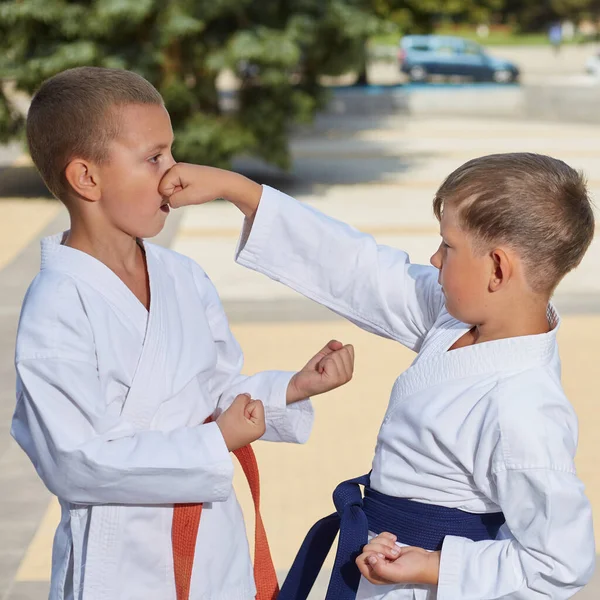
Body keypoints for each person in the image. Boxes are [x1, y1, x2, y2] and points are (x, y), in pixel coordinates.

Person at [157, 153, 596, 599]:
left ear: (498, 269)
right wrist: (242, 193)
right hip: (381, 570)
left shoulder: (522, 405)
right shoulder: (457, 321)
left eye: (448, 246)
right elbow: (362, 271)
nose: (434, 256)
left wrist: (434, 566)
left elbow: (558, 562)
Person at [12, 66, 355, 600]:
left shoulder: (181, 276)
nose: (174, 175)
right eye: (154, 158)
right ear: (87, 178)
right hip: (120, 562)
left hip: (213, 542)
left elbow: (214, 391)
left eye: (171, 153)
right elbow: (74, 461)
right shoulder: (56, 306)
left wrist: (290, 388)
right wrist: (214, 442)